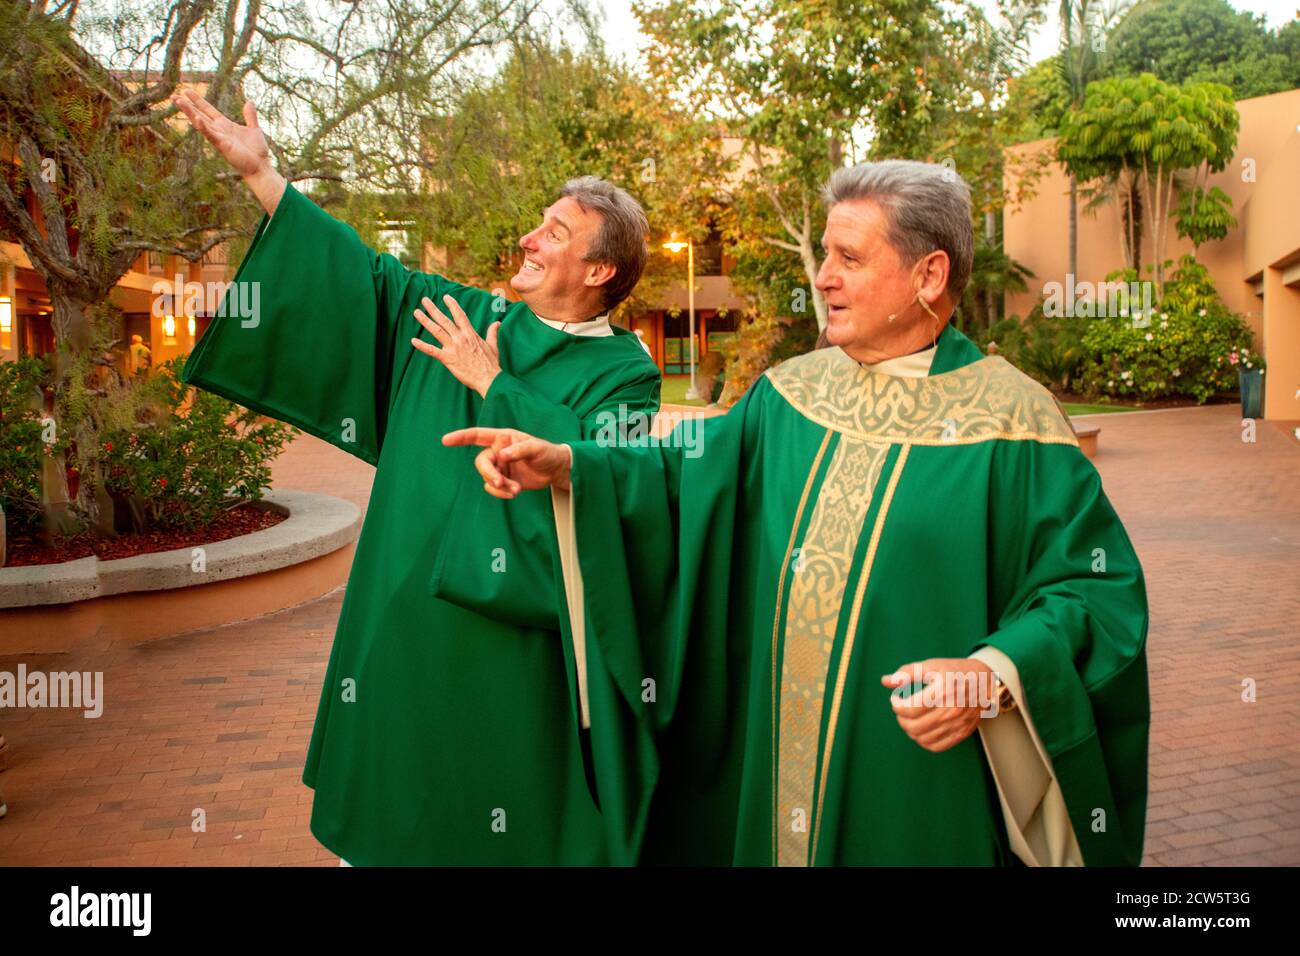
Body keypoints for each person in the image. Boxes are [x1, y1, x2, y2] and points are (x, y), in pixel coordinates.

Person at [445, 160, 1150, 866]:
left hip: (917, 787)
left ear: (929, 276)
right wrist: (573, 464)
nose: (823, 277)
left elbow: (1095, 594)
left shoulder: (1014, 424)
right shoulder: (789, 393)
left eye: (849, 257)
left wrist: (992, 676)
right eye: (826, 255)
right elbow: (684, 471)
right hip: (773, 765)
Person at [171, 87, 660, 864]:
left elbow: (613, 478)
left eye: (555, 233)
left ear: (600, 268)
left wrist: (492, 383)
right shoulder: (451, 311)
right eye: (538, 223)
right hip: (401, 620)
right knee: (392, 818)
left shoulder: (627, 375)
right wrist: (265, 177)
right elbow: (356, 276)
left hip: (516, 643)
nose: (529, 239)